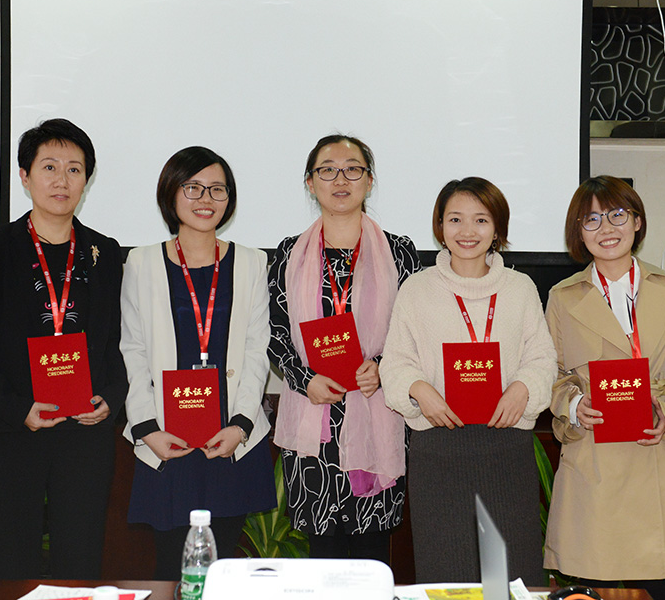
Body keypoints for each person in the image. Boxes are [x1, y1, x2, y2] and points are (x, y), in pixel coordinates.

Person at [0, 118, 128, 580]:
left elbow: (117, 342)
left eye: (74, 169)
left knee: (80, 564)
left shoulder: (105, 253)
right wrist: (18, 409)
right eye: (49, 166)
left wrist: (111, 398)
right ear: (25, 176)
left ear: (86, 180)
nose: (61, 179)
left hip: (84, 435)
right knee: (13, 568)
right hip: (11, 433)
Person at [543, 176, 665, 600]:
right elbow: (552, 373)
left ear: (637, 222)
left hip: (659, 449)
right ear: (579, 232)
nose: (606, 228)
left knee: (661, 586)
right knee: (594, 586)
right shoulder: (563, 297)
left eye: (617, 215)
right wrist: (575, 405)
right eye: (592, 219)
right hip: (595, 456)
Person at [381, 177, 556, 583]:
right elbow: (395, 362)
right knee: (447, 573)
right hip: (439, 450)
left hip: (506, 447)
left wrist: (523, 387)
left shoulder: (520, 288)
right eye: (455, 219)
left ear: (497, 229)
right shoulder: (417, 289)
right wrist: (419, 390)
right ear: (440, 226)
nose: (467, 231)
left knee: (512, 575)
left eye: (481, 219)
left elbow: (542, 357)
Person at [120, 146, 276, 580]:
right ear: (171, 193)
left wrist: (240, 425)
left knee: (222, 574)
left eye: (217, 189)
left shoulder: (251, 262)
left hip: (230, 440)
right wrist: (147, 428)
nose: (206, 199)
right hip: (167, 440)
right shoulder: (142, 262)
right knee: (172, 571)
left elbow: (256, 349)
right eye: (193, 188)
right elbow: (132, 349)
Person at [269, 134, 419, 563]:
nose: (340, 179)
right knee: (323, 557)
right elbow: (274, 334)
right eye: (327, 170)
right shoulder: (288, 254)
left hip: (378, 415)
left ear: (369, 181)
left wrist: (383, 366)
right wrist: (305, 380)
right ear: (310, 182)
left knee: (372, 556)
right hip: (314, 420)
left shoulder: (400, 252)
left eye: (353, 169)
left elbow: (414, 332)